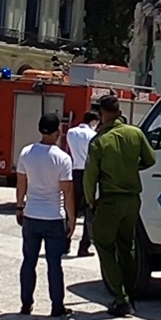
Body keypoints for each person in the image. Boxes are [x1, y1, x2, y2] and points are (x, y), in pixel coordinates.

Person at [84, 94, 157, 317]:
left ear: (102, 113)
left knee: (105, 246)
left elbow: (90, 177)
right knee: (128, 246)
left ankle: (120, 298)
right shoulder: (135, 133)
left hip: (110, 200)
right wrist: (132, 167)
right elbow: (151, 159)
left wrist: (90, 201)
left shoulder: (99, 141)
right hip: (132, 199)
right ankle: (131, 293)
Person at [15, 114, 77, 318]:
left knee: (28, 261)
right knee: (54, 263)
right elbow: (67, 191)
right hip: (53, 217)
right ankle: (56, 306)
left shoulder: (26, 153)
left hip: (31, 215)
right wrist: (72, 218)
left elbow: (21, 183)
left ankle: (26, 304)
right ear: (57, 131)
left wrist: (19, 206)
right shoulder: (62, 158)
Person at [63, 110, 99, 256]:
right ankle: (84, 246)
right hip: (88, 172)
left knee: (71, 209)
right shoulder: (94, 136)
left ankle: (65, 242)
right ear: (93, 121)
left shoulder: (71, 133)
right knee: (89, 212)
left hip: (74, 171)